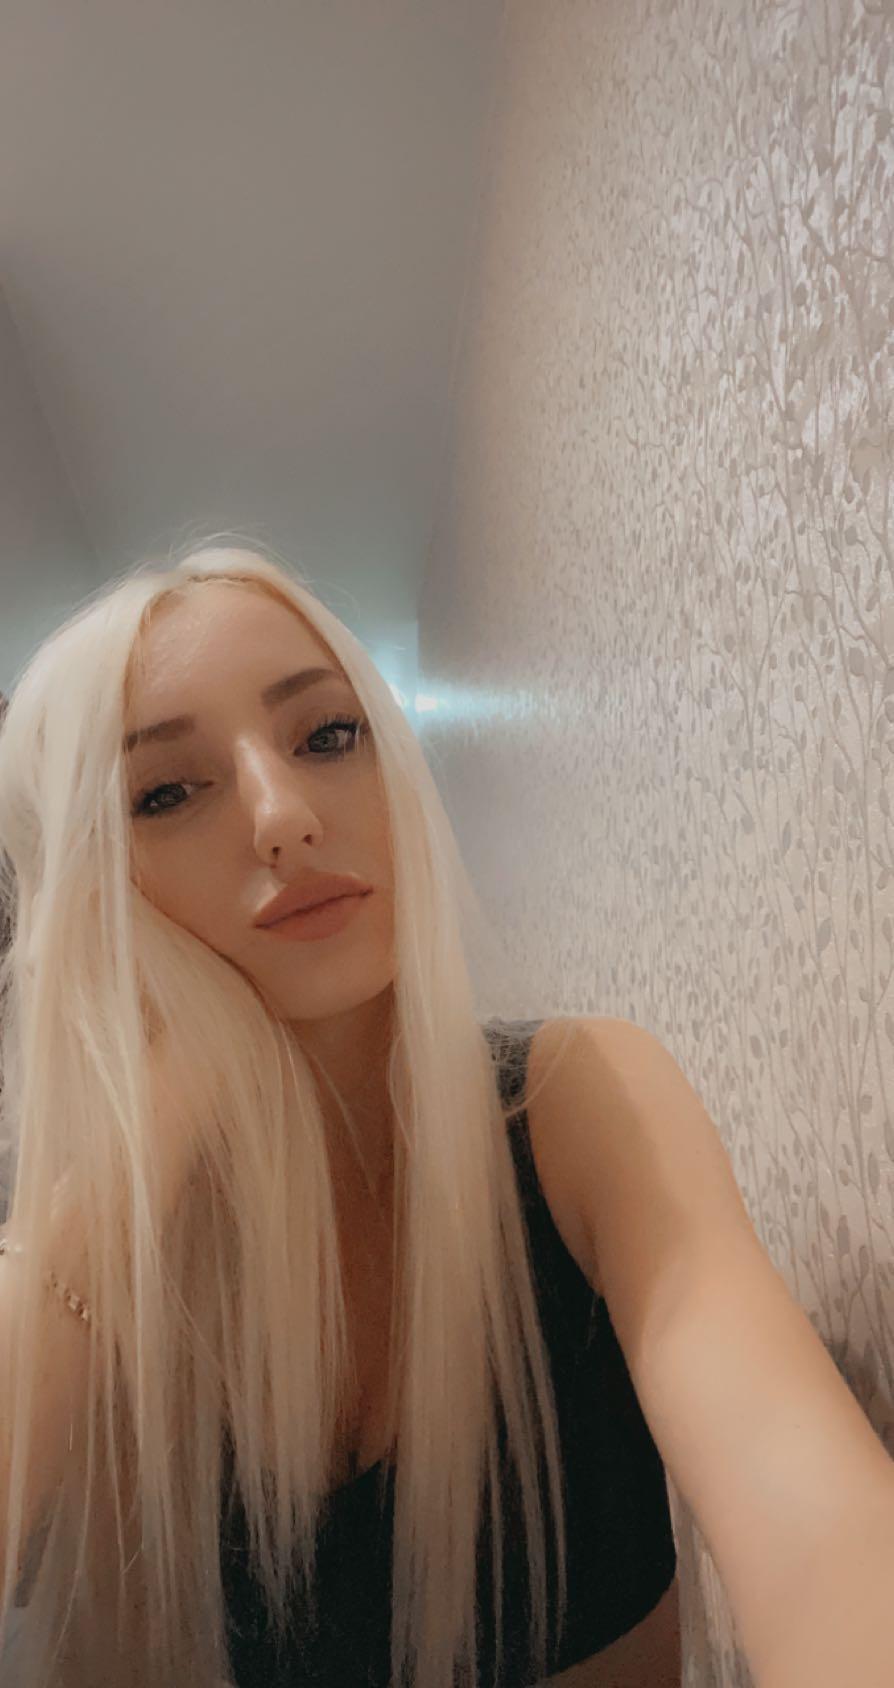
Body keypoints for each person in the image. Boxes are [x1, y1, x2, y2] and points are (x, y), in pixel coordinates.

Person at [0, 543, 678, 1687]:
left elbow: (803, 1494)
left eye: (325, 734)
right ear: (97, 888)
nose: (282, 816)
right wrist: (162, 1111)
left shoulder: (569, 1099)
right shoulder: (125, 1250)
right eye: (164, 792)